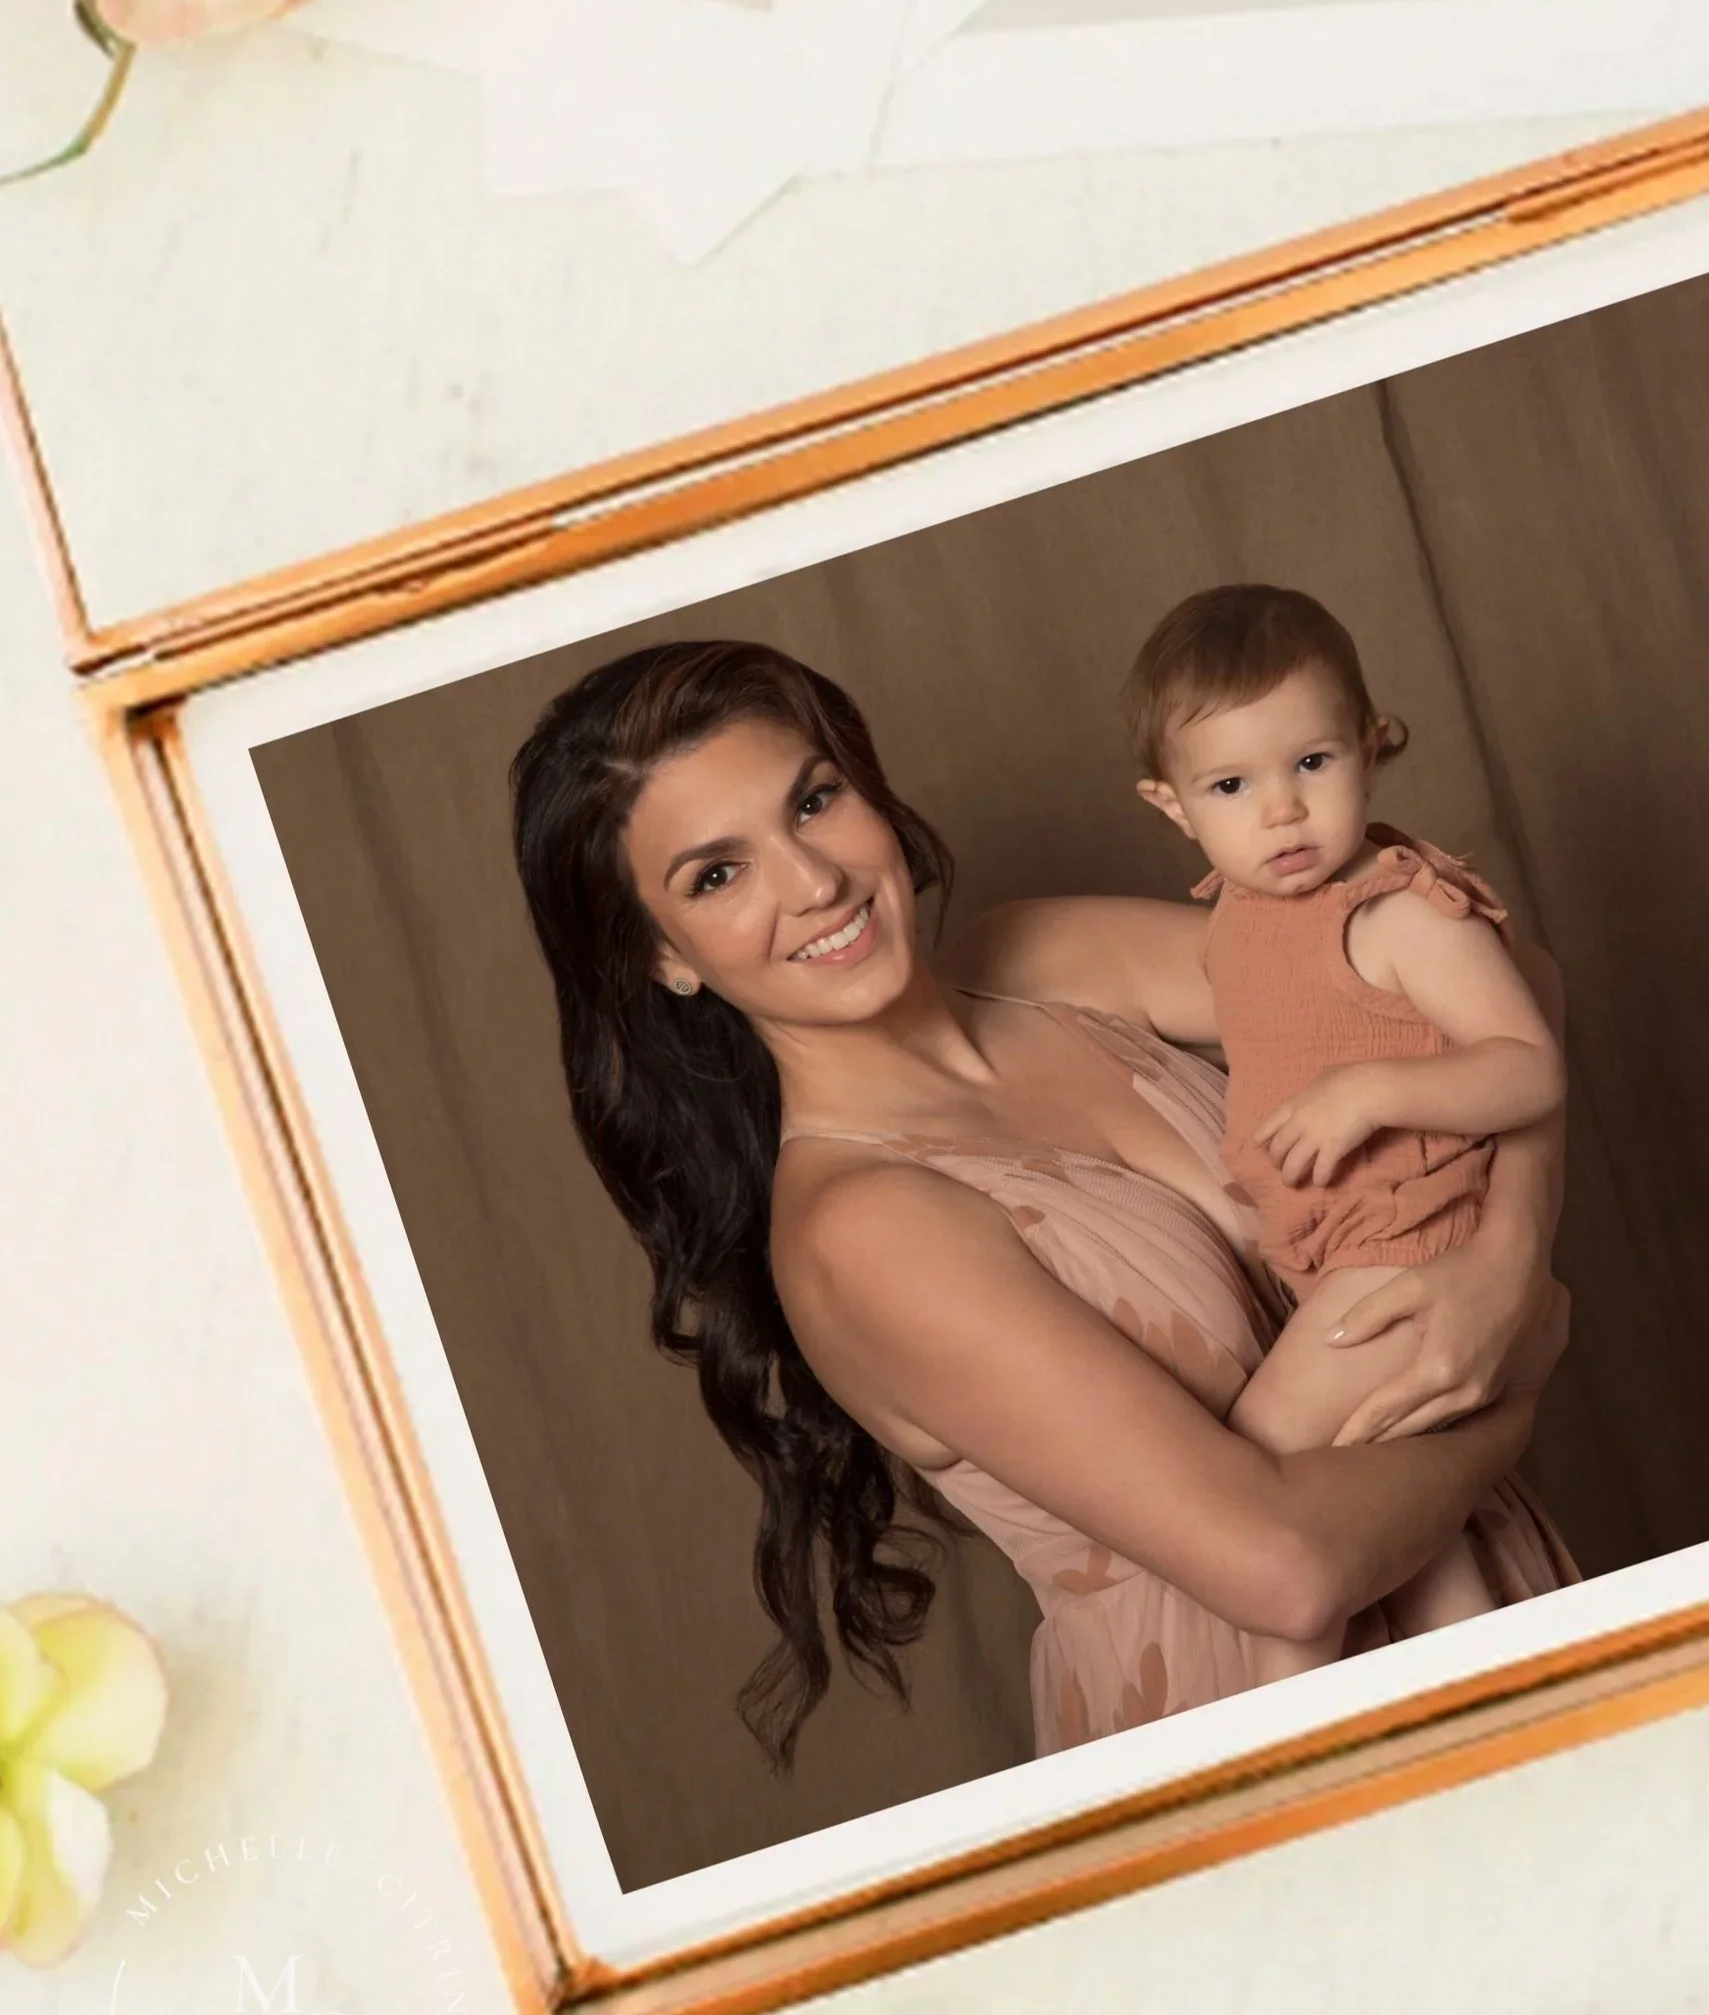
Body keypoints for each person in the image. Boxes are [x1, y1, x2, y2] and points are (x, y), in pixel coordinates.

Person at [509, 639, 1573, 1766]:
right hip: (1241, 1730)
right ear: (665, 958)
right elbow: (1288, 1573)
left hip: (1490, 1601)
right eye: (717, 876)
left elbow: (1497, 988)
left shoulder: (1044, 957)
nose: (812, 882)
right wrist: (1513, 1393)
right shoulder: (860, 1230)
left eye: (814, 801)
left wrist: (1506, 1262)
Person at [1123, 584, 1569, 1683]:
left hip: (1404, 1270)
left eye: (1311, 765)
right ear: (1173, 806)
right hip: (1338, 1276)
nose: (1280, 811)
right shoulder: (1236, 922)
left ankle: (1297, 1755)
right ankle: (1502, 1718)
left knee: (1264, 1521)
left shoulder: (1398, 910)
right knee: (1415, 1557)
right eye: (1232, 785)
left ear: (1374, 747)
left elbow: (1529, 1066)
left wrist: (1373, 1091)